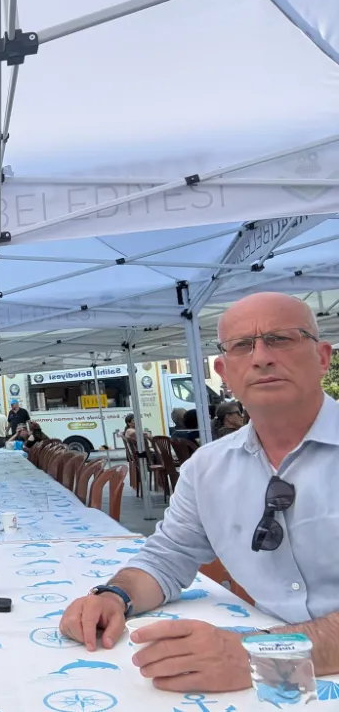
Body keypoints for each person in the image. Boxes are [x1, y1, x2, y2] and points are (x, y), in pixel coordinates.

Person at [57, 292, 337, 694]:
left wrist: (259, 653)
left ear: (323, 357)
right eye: (242, 345)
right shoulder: (207, 468)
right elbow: (168, 557)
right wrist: (115, 595)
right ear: (224, 372)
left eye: (280, 338)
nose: (261, 357)